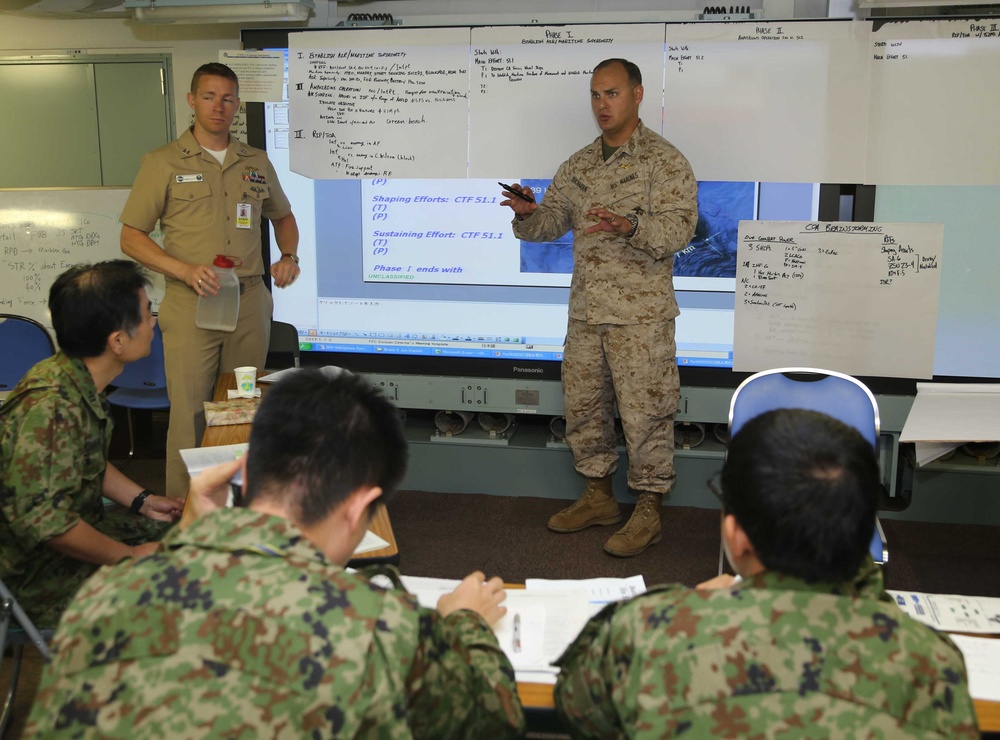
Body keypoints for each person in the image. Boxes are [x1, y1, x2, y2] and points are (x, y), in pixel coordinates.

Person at [26, 369, 526, 738]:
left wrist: (185, 537)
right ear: (362, 508)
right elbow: (493, 719)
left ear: (246, 469)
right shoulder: (379, 628)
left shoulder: (103, 598)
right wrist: (465, 623)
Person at [553, 409, 979, 738]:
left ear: (735, 536)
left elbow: (575, 708)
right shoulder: (933, 663)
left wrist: (683, 608)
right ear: (861, 526)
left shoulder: (650, 631)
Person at [501, 58, 698, 557]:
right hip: (587, 314)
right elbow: (549, 225)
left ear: (636, 94)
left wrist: (630, 225)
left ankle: (648, 510)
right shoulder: (579, 165)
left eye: (611, 94)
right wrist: (528, 215)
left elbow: (679, 232)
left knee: (645, 414)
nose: (601, 105)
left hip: (641, 318)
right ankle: (598, 498)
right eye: (594, 95)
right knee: (584, 409)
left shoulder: (664, 161)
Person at [120, 61, 300, 499]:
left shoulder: (255, 161)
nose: (218, 106)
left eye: (227, 98)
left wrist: (289, 255)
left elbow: (284, 216)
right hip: (191, 302)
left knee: (241, 407)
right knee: (190, 412)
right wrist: (181, 269)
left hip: (249, 299)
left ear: (237, 105)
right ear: (191, 101)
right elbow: (131, 236)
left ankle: (238, 503)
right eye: (209, 97)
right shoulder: (162, 162)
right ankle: (187, 510)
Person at [0, 261, 182, 628]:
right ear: (117, 341)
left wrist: (144, 501)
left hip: (71, 539)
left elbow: (85, 461)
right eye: (148, 314)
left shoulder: (70, 374)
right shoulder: (52, 408)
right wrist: (128, 557)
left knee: (192, 538)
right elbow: (48, 523)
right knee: (186, 587)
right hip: (36, 577)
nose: (153, 323)